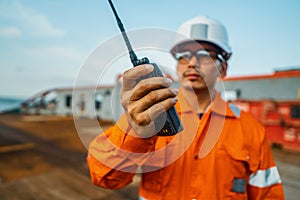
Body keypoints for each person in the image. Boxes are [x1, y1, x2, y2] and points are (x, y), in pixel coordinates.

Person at [87, 16, 284, 199]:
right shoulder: (149, 117)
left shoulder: (251, 129)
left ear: (222, 69)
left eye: (205, 54)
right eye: (184, 55)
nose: (193, 62)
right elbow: (103, 176)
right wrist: (136, 134)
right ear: (178, 66)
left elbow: (268, 194)